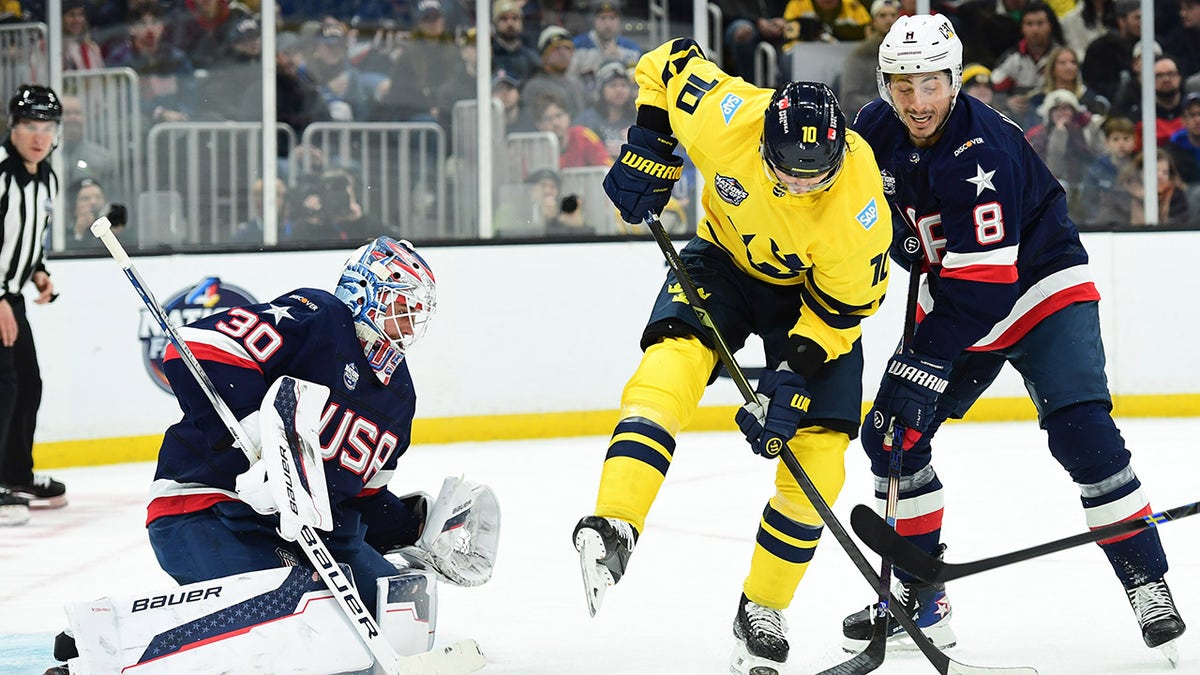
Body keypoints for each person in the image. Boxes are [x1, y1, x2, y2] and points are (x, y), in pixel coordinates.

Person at [843, 14, 1187, 660]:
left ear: (955, 79)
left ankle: (1147, 580)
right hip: (956, 295)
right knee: (894, 437)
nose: (918, 103)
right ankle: (922, 595)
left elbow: (986, 287)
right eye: (903, 85)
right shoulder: (873, 129)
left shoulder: (984, 153)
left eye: (931, 85)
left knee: (1083, 435)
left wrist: (922, 361)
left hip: (1040, 291)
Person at [572, 38, 892, 675]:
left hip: (811, 301)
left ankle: (762, 609)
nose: (801, 184)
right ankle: (613, 524)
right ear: (764, 143)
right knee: (671, 362)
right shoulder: (732, 116)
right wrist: (651, 146)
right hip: (722, 260)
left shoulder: (860, 214)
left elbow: (842, 311)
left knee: (821, 459)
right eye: (788, 169)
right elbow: (664, 64)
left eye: (815, 173)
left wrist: (791, 377)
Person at [143, 236, 496, 615]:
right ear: (365, 291)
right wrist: (257, 437)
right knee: (292, 613)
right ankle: (84, 648)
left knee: (401, 603)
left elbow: (360, 500)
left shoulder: (399, 396)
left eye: (417, 311)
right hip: (210, 507)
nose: (409, 323)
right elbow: (197, 345)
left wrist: (414, 526)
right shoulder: (319, 319)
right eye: (402, 305)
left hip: (307, 535)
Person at [0, 85, 67, 526]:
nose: (38, 137)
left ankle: (16, 475)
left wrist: (37, 271)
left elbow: (26, 239)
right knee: (3, 386)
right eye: (29, 126)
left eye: (46, 127)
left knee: (28, 383)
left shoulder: (47, 178)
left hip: (13, 296)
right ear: (12, 127)